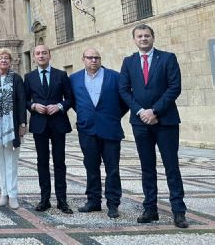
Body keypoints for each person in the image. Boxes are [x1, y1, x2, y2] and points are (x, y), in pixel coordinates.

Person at [119, 24, 189, 228]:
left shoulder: (168, 58)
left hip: (165, 121)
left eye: (146, 35)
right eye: (139, 36)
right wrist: (142, 112)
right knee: (147, 168)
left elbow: (174, 87)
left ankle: (178, 211)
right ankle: (150, 209)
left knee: (171, 166)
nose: (143, 39)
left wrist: (155, 111)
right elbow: (124, 90)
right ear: (134, 40)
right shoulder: (129, 62)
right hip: (140, 123)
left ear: (153, 38)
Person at [70, 48, 125, 218]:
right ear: (83, 59)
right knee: (91, 167)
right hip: (87, 129)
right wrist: (86, 115)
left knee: (112, 168)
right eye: (90, 58)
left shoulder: (114, 77)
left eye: (96, 58)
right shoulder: (74, 79)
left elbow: (125, 100)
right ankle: (93, 201)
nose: (93, 60)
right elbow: (73, 101)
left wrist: (113, 116)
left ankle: (113, 203)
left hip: (110, 128)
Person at [24, 44, 73, 214]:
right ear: (34, 57)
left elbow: (70, 98)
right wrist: (34, 105)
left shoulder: (61, 74)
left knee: (59, 162)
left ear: (49, 55)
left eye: (44, 53)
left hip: (58, 122)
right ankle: (44, 199)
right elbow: (24, 100)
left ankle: (62, 200)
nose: (41, 56)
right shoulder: (29, 77)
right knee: (42, 162)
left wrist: (59, 106)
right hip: (39, 124)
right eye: (38, 53)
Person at [0, 48, 26, 210]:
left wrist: (22, 124)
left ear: (10, 61)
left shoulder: (16, 79)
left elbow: (21, 101)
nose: (3, 61)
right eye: (0, 58)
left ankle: (13, 195)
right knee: (1, 162)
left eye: (6, 58)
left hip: (12, 127)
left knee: (12, 162)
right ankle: (4, 193)